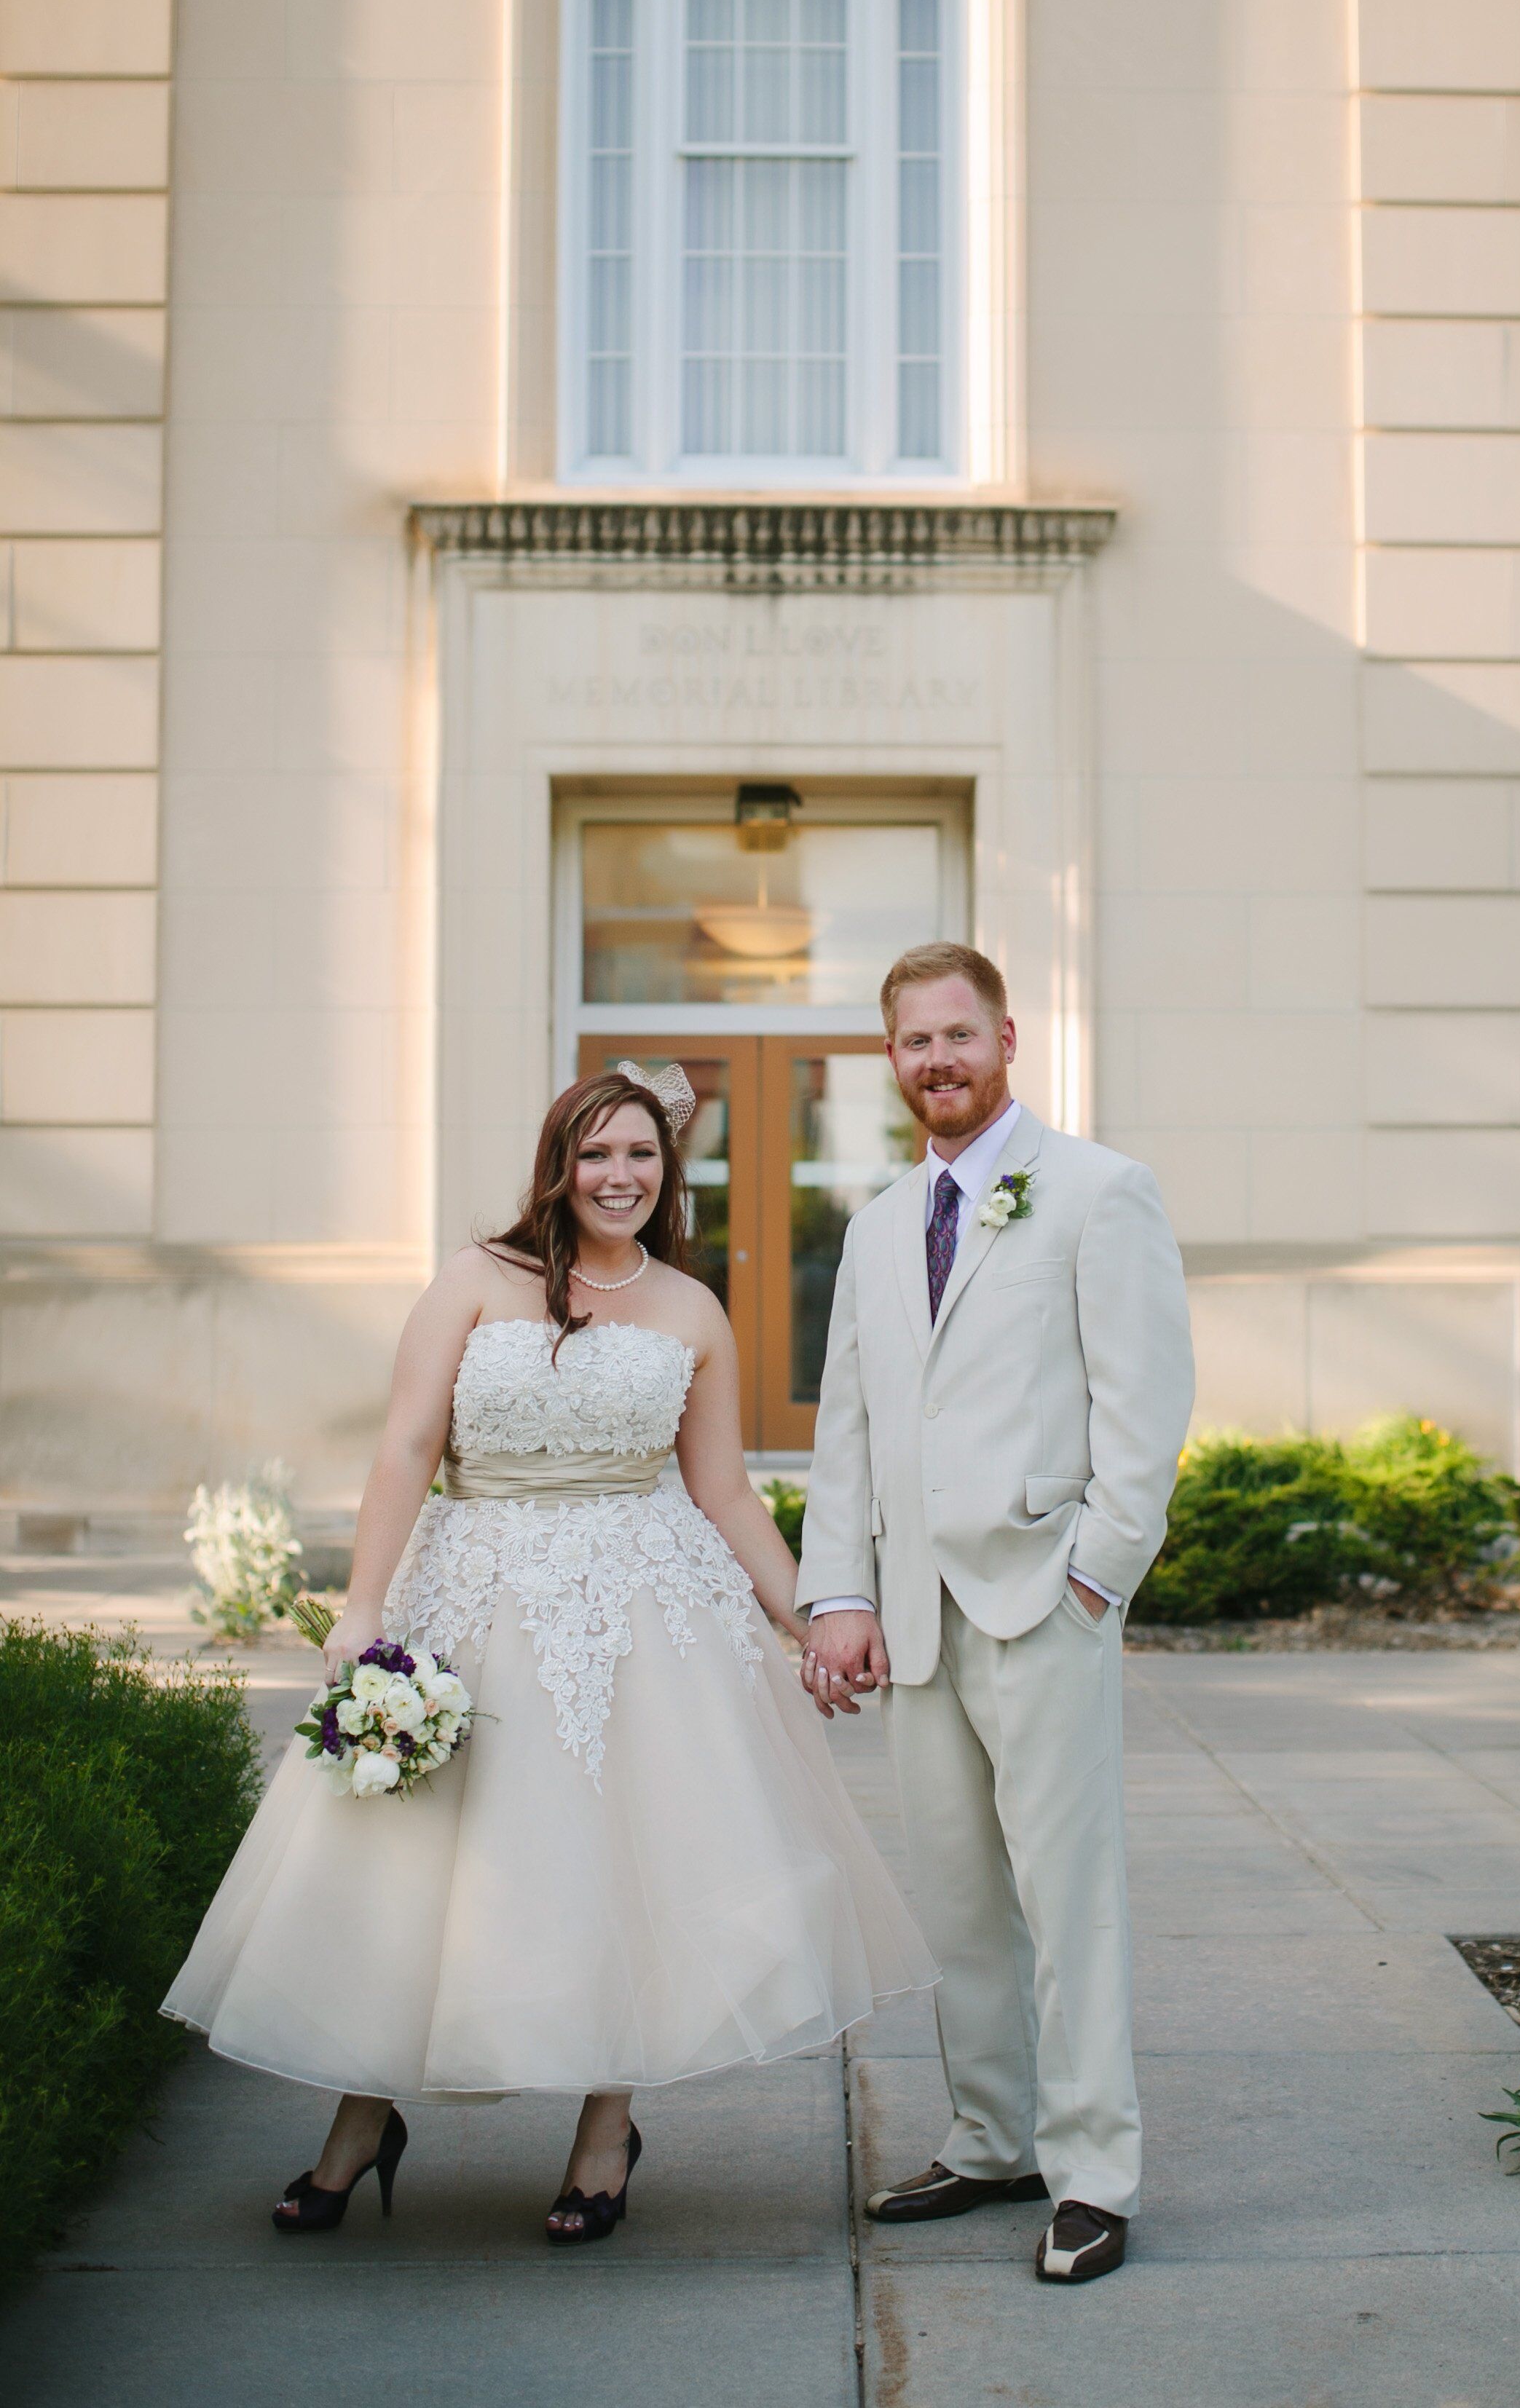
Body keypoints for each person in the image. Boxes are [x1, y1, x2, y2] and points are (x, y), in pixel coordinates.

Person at [165, 1062, 936, 2242]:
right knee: (419, 1862)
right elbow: (407, 1446)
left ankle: (603, 2132)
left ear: (667, 1168)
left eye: (640, 1155)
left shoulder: (691, 1308)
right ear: (559, 1166)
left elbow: (724, 1494)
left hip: (642, 1613)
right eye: (597, 1155)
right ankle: (361, 2123)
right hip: (472, 1588)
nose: (619, 1176)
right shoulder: (479, 1280)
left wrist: (815, 1619)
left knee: (626, 1866)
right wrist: (359, 1609)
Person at [795, 944, 1194, 2285]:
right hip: (916, 1615)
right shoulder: (872, 1228)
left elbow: (1146, 1411)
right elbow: (846, 1428)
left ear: (1007, 1037)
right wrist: (838, 1592)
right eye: (914, 1043)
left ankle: (1093, 2173)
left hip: (1043, 1601)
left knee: (1067, 1903)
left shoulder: (1099, 1192)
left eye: (959, 1036)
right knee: (961, 1905)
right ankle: (990, 2140)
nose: (939, 1062)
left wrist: (1097, 1575)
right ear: (893, 1060)